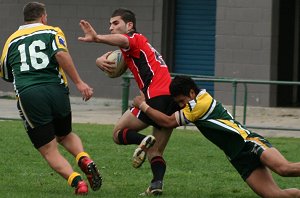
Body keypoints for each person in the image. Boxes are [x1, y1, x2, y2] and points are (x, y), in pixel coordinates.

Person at [133, 75, 300, 197]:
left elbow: (168, 122)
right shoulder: (193, 103)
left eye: (181, 101)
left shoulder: (199, 104)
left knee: (285, 169)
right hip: (237, 157)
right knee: (276, 196)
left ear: (192, 93)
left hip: (249, 143)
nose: (180, 106)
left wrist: (143, 106)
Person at [0, 2, 102, 195]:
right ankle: (83, 158)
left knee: (48, 149)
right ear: (43, 17)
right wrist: (79, 82)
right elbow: (61, 54)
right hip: (56, 89)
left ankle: (78, 182)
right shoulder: (52, 31)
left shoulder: (11, 40)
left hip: (30, 93)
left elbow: (6, 73)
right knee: (65, 134)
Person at [78, 8, 180, 195]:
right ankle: (156, 184)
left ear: (130, 25)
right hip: (171, 100)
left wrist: (97, 38)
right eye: (110, 24)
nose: (111, 27)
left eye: (115, 23)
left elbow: (124, 41)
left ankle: (143, 140)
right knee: (155, 152)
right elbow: (119, 59)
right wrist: (98, 61)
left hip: (154, 98)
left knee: (118, 134)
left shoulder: (133, 39)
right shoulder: (139, 46)